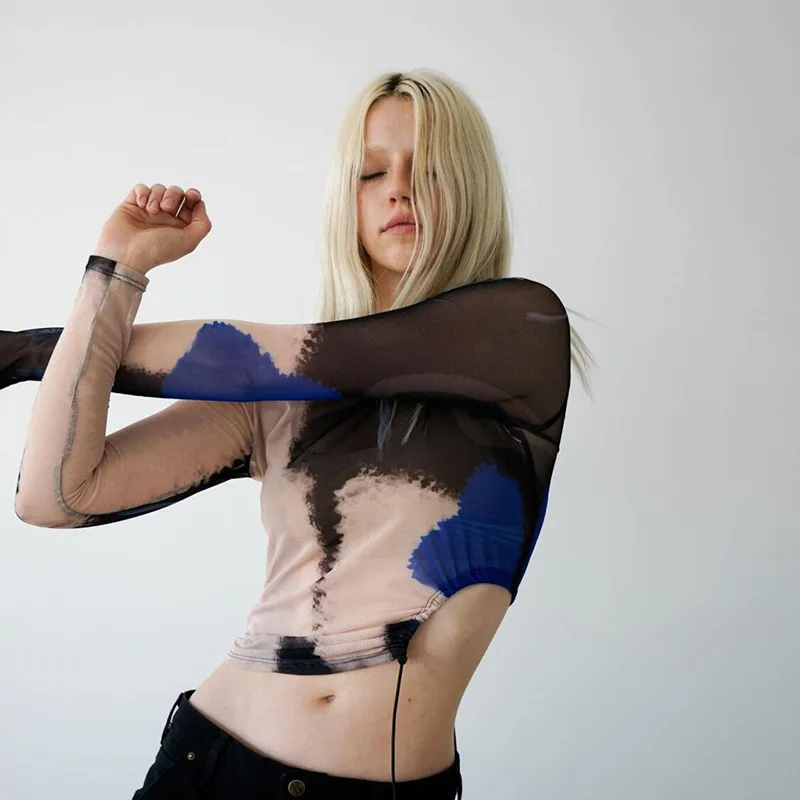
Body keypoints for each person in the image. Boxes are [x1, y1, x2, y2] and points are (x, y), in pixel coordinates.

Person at [1, 69, 594, 799]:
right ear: (346, 199)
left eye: (430, 169)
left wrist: (19, 353)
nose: (398, 190)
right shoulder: (280, 401)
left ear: (472, 187)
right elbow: (55, 495)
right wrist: (116, 268)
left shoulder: (521, 332)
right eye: (371, 172)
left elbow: (250, 357)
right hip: (211, 766)